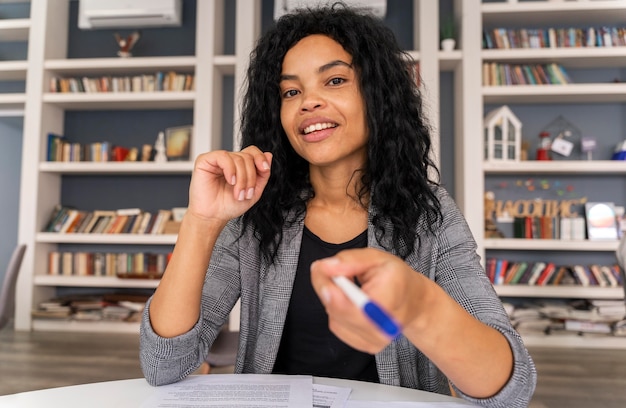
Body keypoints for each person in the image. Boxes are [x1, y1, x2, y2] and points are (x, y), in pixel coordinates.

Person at [140, 4, 537, 406]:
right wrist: (202, 221)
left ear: (376, 94)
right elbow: (164, 365)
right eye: (291, 91)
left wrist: (419, 307)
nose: (308, 102)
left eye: (334, 80)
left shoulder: (429, 214)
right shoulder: (253, 213)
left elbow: (511, 392)